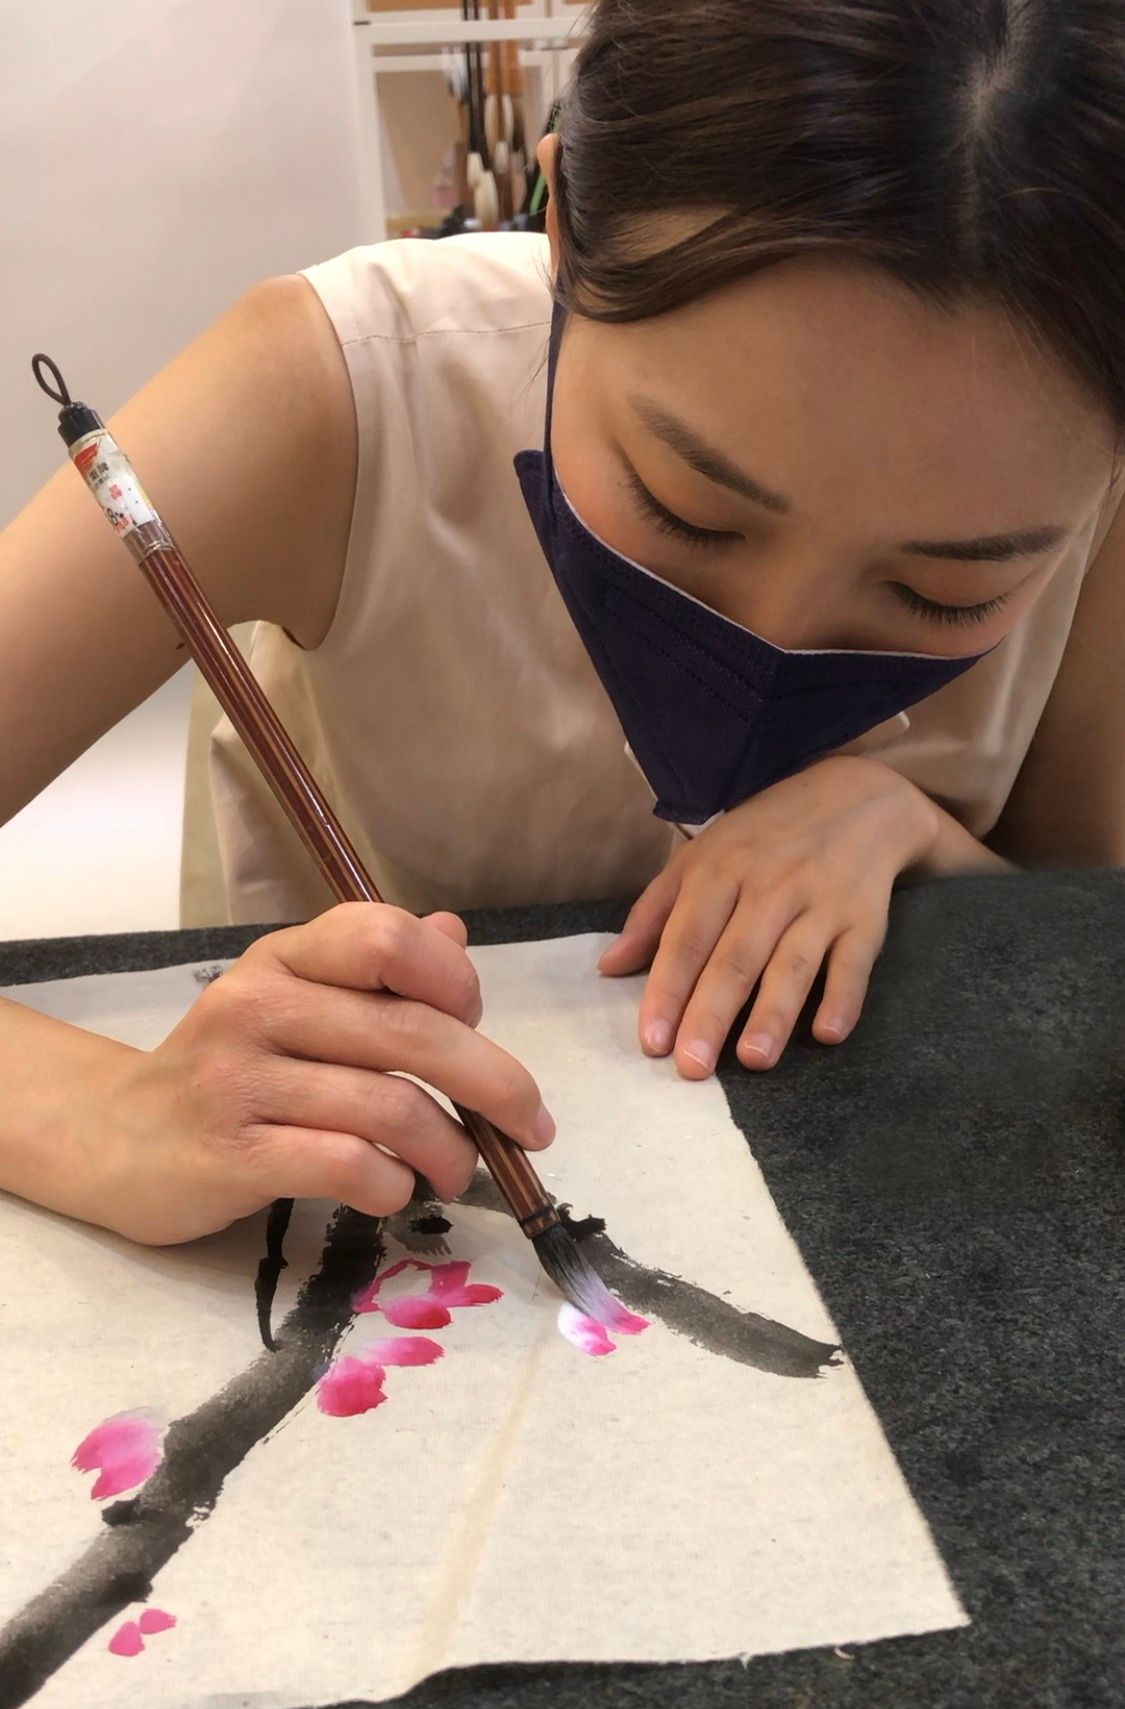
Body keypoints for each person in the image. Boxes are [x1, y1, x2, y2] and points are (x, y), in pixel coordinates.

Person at [1, 0, 1121, 1245]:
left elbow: (1089, 925)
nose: (771, 649)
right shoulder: (347, 388)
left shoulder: (1095, 498)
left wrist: (924, 840)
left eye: (942, 589)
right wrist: (108, 1114)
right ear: (563, 228)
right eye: (688, 508)